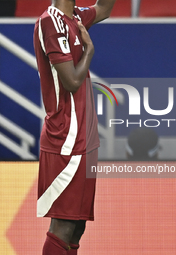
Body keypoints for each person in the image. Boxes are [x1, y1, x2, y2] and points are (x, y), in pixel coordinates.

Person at [33, 0, 116, 254]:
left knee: (77, 226)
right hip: (65, 138)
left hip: (85, 137)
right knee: (63, 227)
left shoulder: (76, 17)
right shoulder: (51, 22)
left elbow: (104, 8)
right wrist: (89, 51)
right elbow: (70, 81)